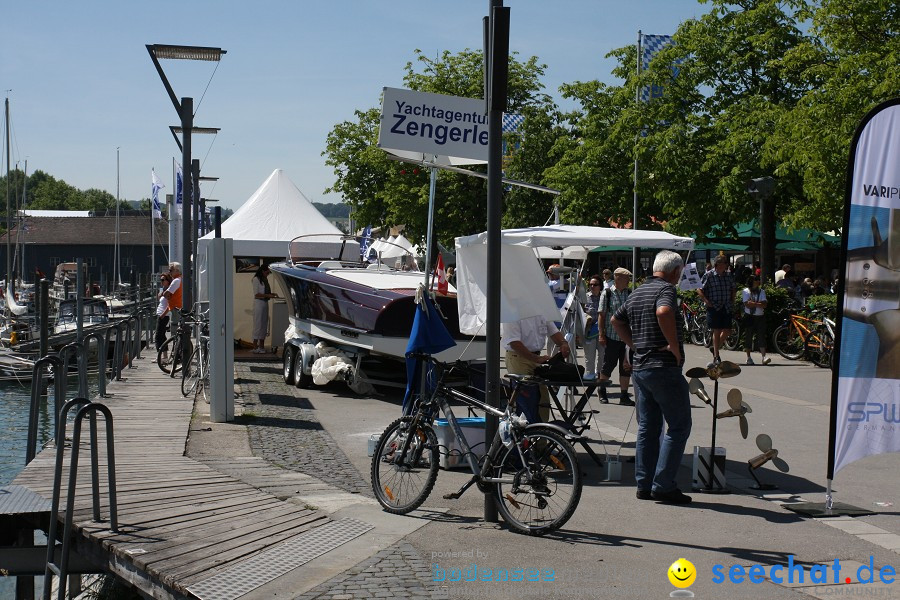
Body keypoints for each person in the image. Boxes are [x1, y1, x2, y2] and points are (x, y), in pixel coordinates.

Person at [611, 250, 692, 504]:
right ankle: (663, 484)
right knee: (679, 426)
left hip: (641, 368)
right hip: (663, 366)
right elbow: (664, 312)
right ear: (676, 271)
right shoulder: (666, 290)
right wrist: (674, 347)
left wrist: (634, 346)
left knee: (648, 427)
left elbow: (616, 320)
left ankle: (643, 484)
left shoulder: (638, 291)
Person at [502, 314, 571, 423]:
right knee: (528, 400)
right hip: (518, 357)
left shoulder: (540, 309)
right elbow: (514, 342)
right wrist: (535, 358)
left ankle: (540, 434)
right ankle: (529, 434)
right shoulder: (513, 312)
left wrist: (563, 343)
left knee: (542, 401)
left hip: (536, 358)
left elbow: (553, 331)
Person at [597, 267, 634, 405]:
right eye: (627, 278)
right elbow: (601, 315)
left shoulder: (630, 293)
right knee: (608, 365)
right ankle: (602, 390)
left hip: (626, 337)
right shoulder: (607, 293)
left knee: (625, 367)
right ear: (618, 278)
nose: (629, 281)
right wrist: (601, 334)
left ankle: (624, 396)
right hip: (612, 336)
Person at [697, 254, 736, 368]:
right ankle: (716, 356)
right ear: (718, 264)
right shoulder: (709, 275)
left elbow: (733, 287)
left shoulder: (728, 275)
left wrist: (732, 300)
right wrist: (706, 301)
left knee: (728, 330)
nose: (726, 265)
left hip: (726, 306)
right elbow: (699, 289)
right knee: (717, 330)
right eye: (724, 263)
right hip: (714, 306)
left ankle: (715, 348)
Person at [742, 276, 771, 365]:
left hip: (760, 316)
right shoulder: (746, 291)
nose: (758, 282)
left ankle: (764, 357)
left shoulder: (761, 291)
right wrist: (758, 304)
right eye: (756, 280)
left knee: (761, 336)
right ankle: (748, 357)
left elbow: (764, 304)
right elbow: (747, 304)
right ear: (751, 281)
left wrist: (753, 303)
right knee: (748, 336)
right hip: (749, 316)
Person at [582, 275, 606, 381]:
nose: (592, 286)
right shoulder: (585, 297)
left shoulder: (605, 297)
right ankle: (590, 376)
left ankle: (599, 375)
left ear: (600, 286)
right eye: (590, 284)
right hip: (589, 332)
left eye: (595, 284)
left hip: (602, 332)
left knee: (602, 355)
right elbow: (581, 313)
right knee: (589, 357)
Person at [251, 264, 278, 354]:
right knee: (258, 324)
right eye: (267, 272)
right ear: (262, 271)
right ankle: (255, 346)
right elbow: (257, 294)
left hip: (265, 303)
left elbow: (266, 292)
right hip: (258, 304)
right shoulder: (256, 279)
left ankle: (261, 346)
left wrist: (272, 294)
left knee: (264, 325)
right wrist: (268, 295)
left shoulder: (265, 280)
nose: (268, 274)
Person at [155, 273, 172, 355]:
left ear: (167, 281)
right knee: (162, 335)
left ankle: (160, 355)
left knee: (158, 336)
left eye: (163, 280)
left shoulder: (168, 291)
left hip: (163, 316)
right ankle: (164, 356)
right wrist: (159, 295)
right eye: (160, 280)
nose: (161, 281)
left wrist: (163, 315)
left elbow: (169, 305)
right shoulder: (163, 290)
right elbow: (161, 302)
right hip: (161, 314)